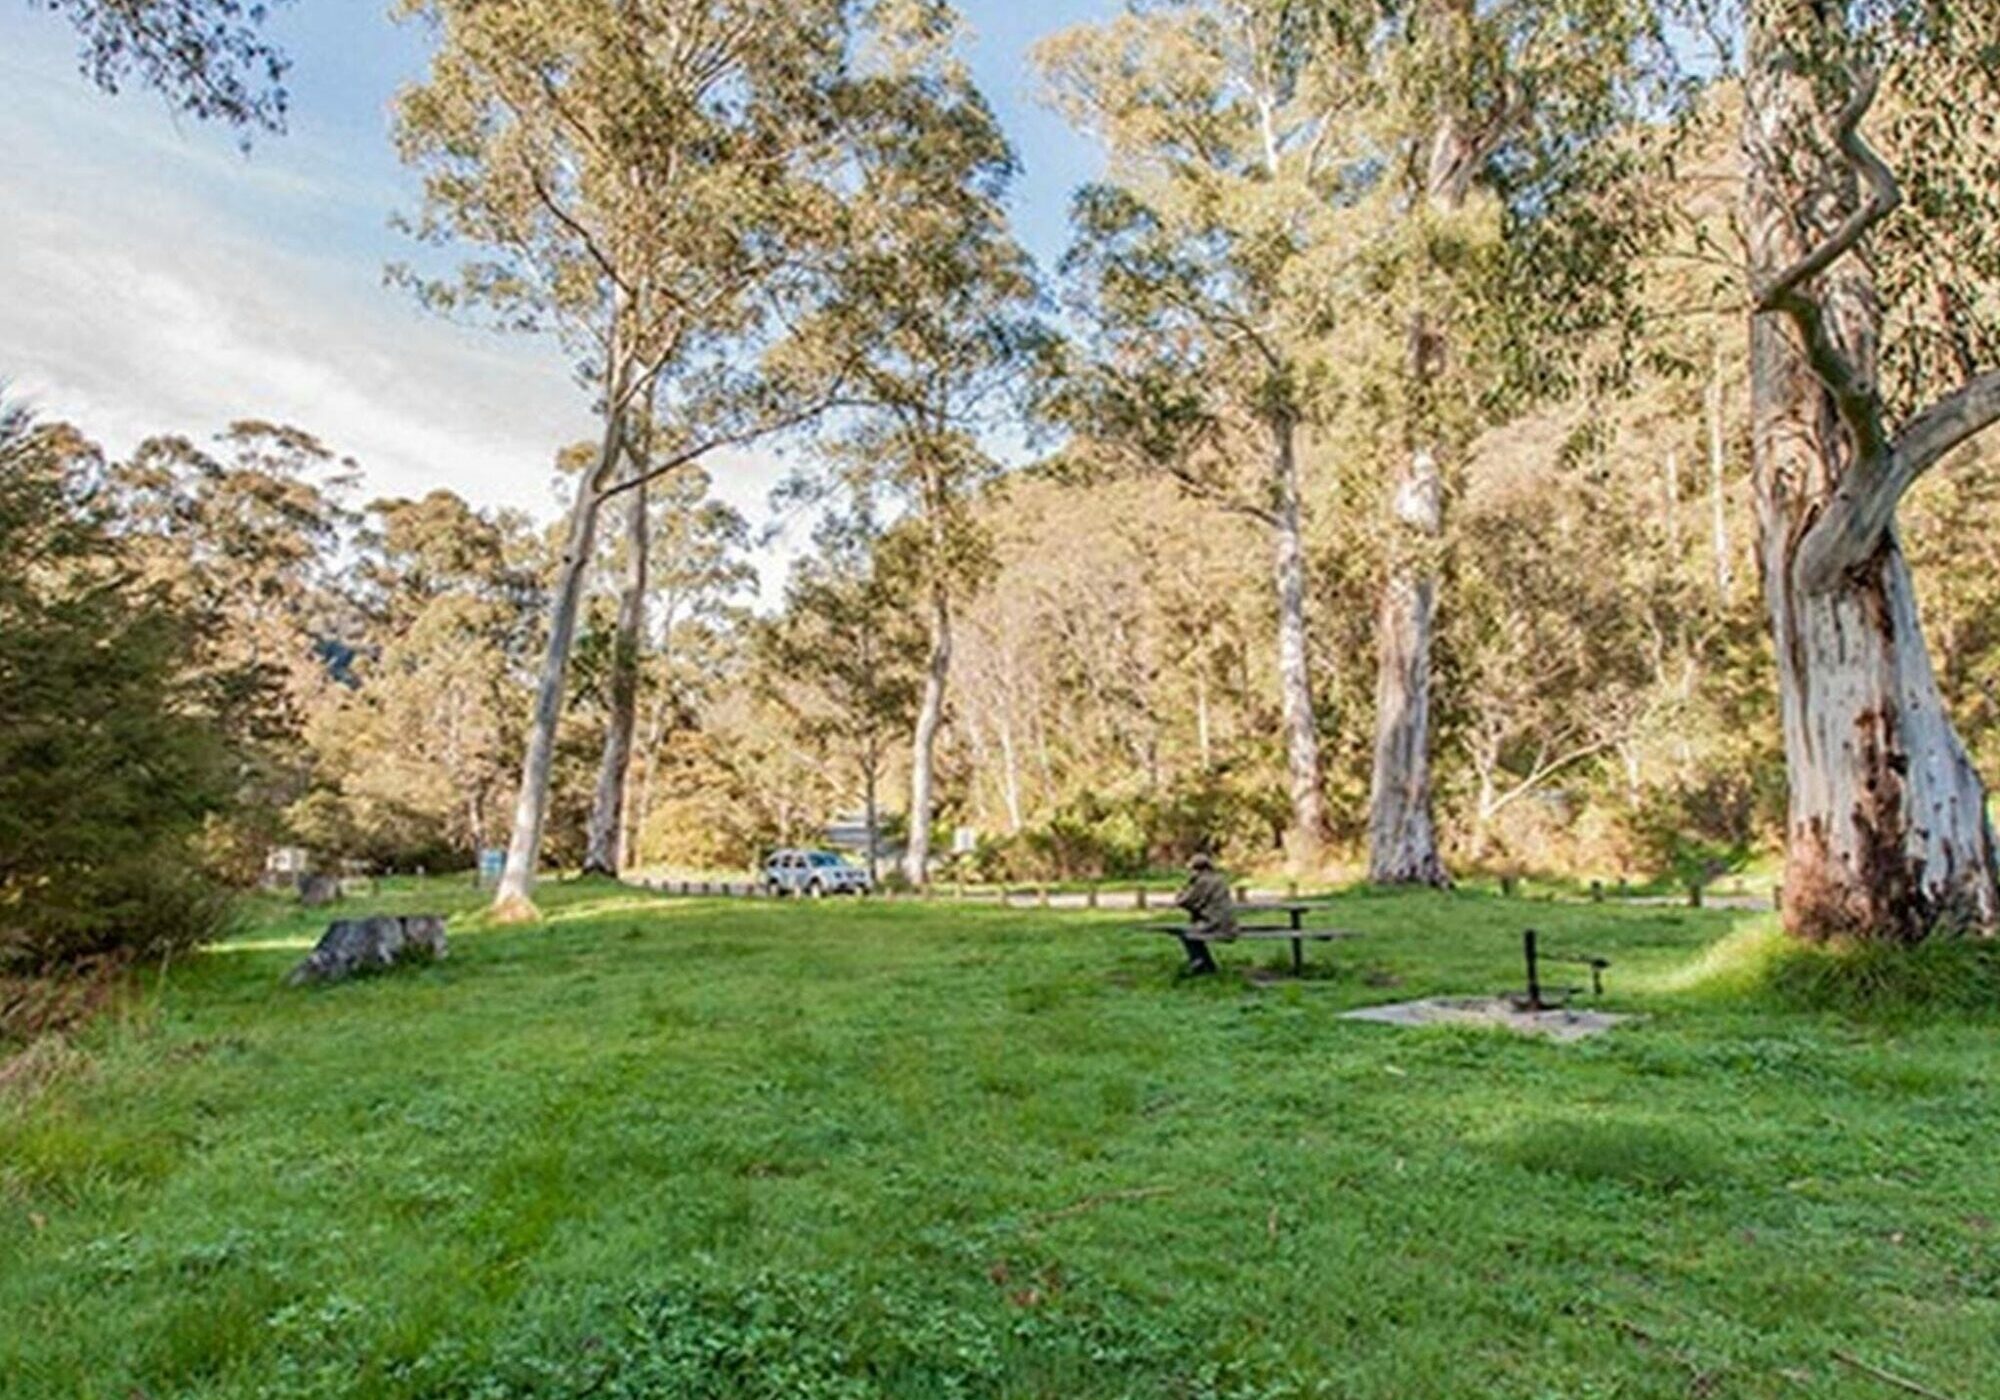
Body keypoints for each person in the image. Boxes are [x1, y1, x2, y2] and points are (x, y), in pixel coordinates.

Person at [1173, 853, 1236, 975]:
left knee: (1186, 933)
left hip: (1215, 924)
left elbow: (1185, 901)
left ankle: (1200, 964)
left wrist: (1181, 892)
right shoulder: (1219, 879)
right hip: (1228, 923)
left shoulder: (1202, 881)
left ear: (1196, 869)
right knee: (1192, 929)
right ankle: (1207, 965)